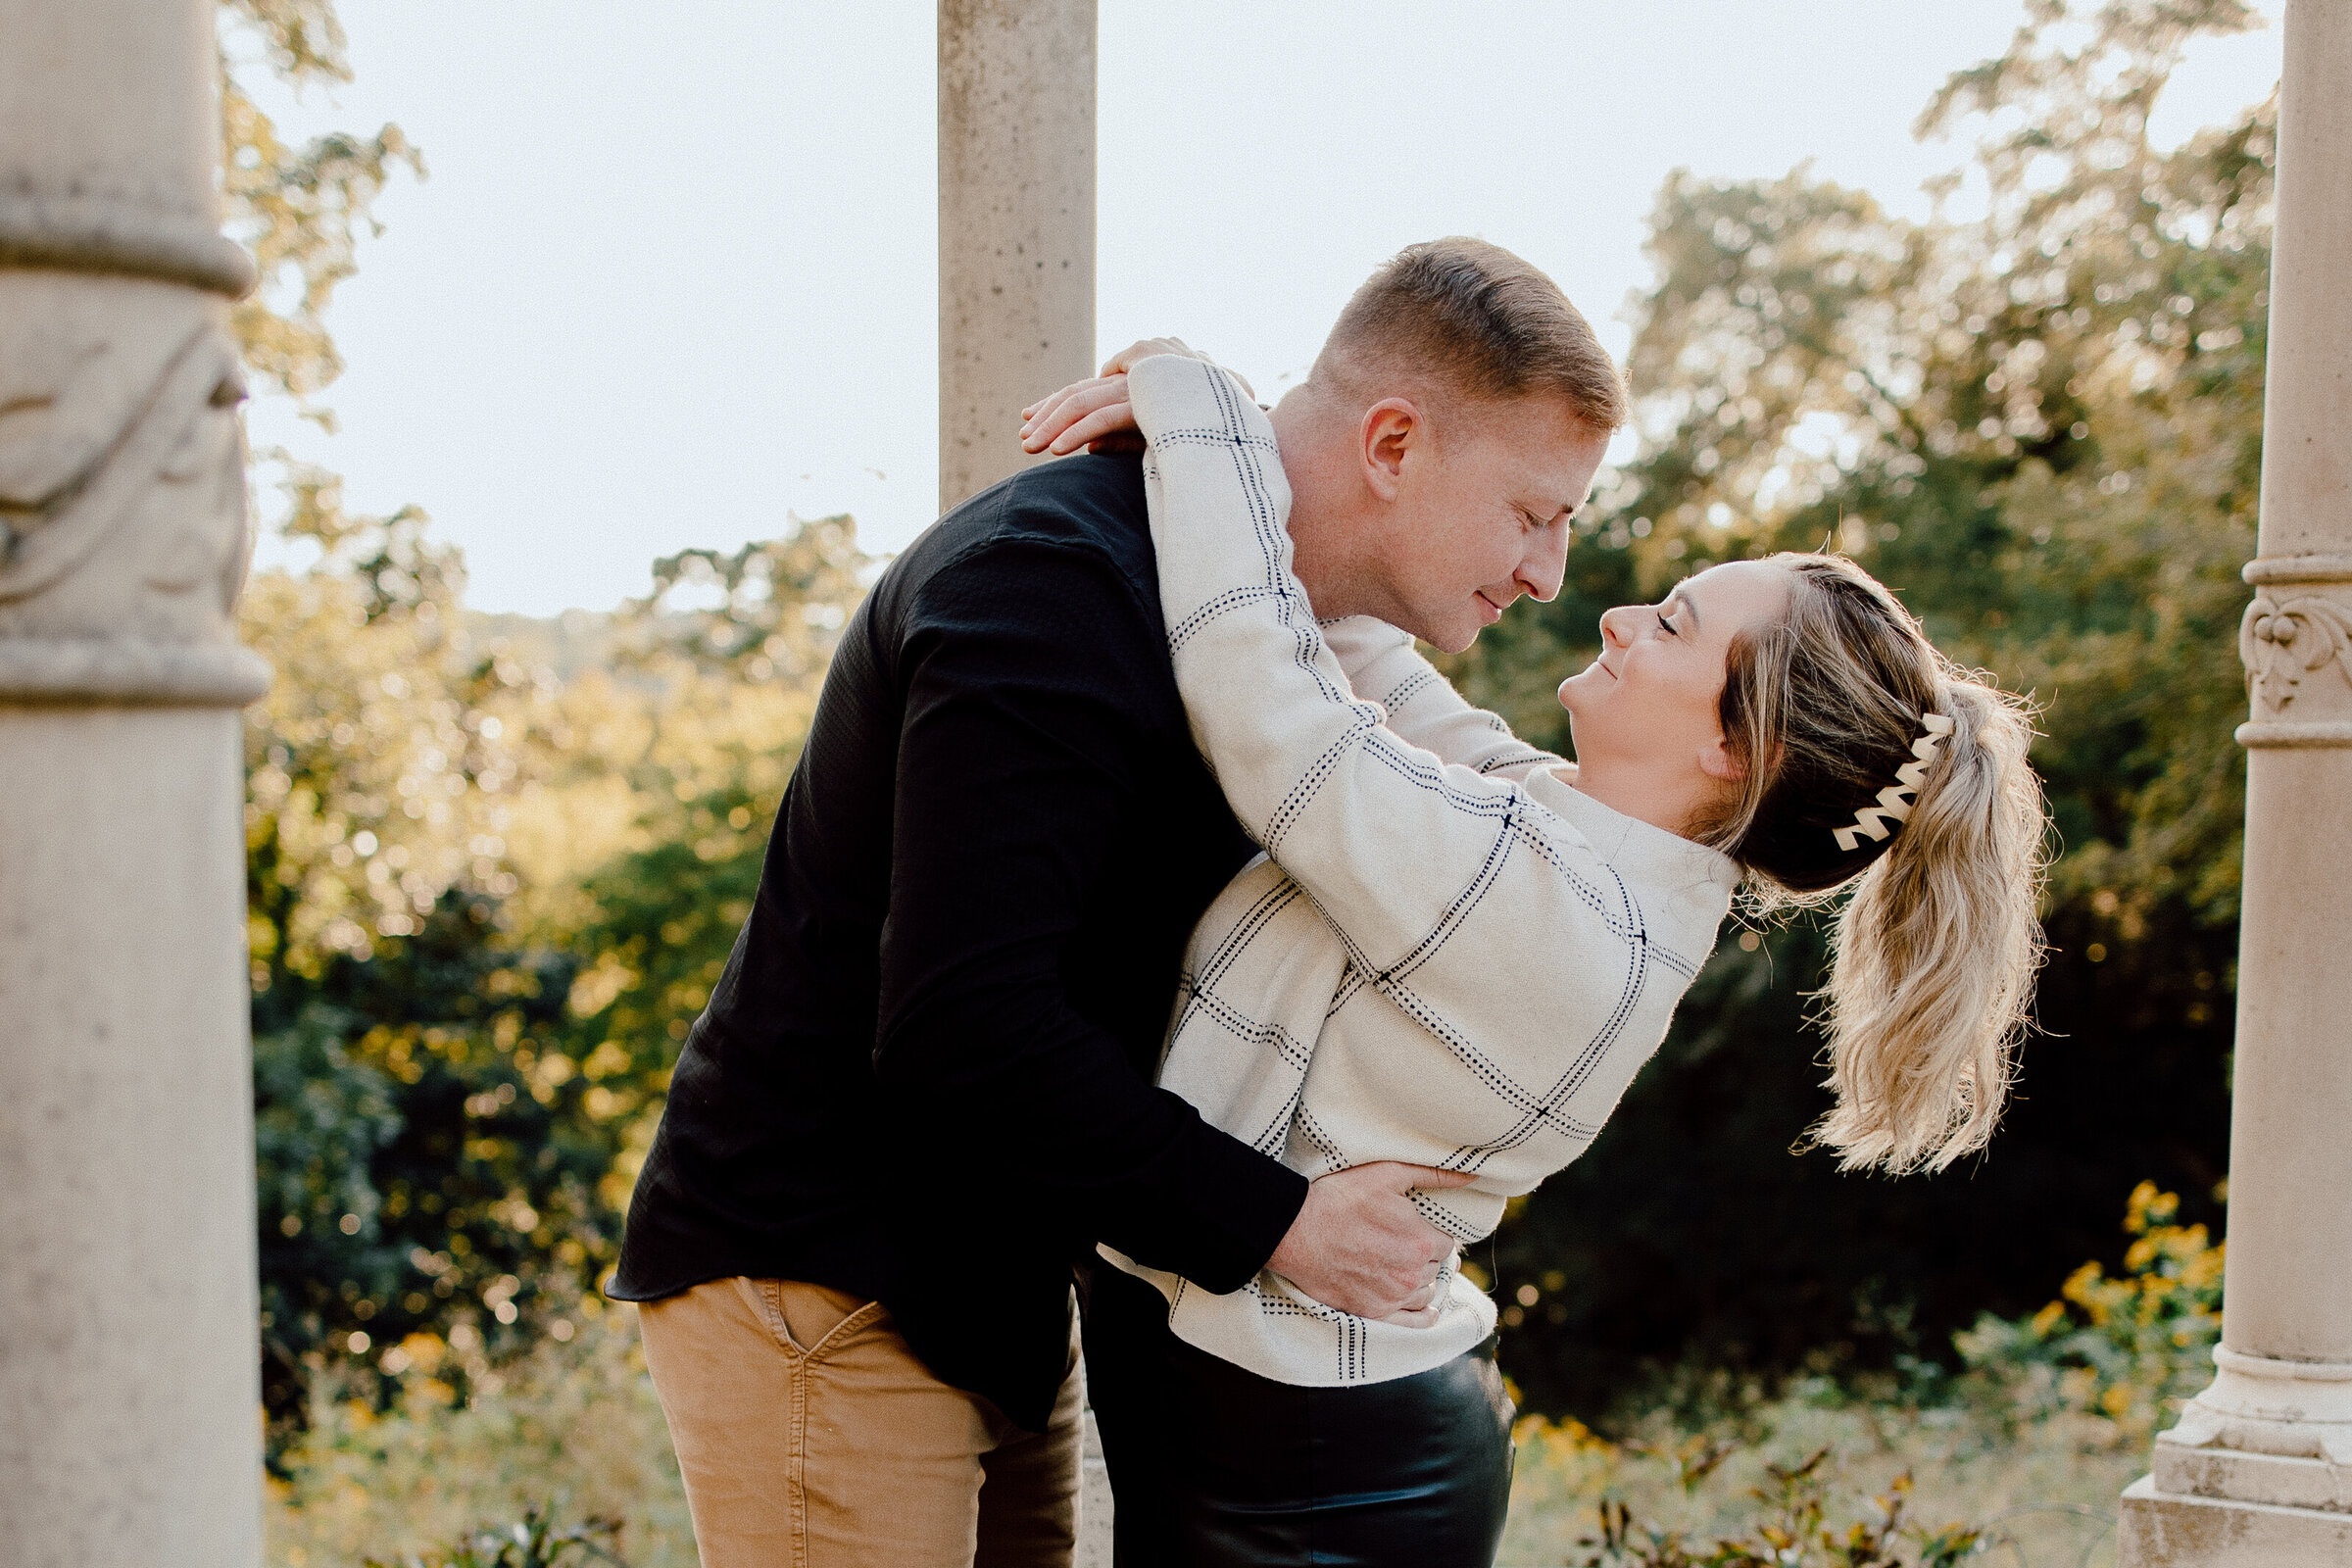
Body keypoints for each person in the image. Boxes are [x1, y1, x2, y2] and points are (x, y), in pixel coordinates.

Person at [607, 238, 1627, 1568]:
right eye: (1533, 513)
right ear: (1391, 445)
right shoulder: (1053, 588)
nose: (1548, 572)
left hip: (998, 1280)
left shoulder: (1274, 633)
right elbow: (962, 1028)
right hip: (830, 1277)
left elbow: (1504, 812)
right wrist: (1283, 1225)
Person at [1012, 348, 2050, 1566]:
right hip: (1304, 1429)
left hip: (1299, 1474)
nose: (1614, 612)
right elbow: (1373, 668)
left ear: (1739, 751)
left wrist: (1203, 408)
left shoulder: (1544, 906)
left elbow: (1273, 705)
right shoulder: (1570, 845)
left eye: (1671, 624)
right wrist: (1314, 449)